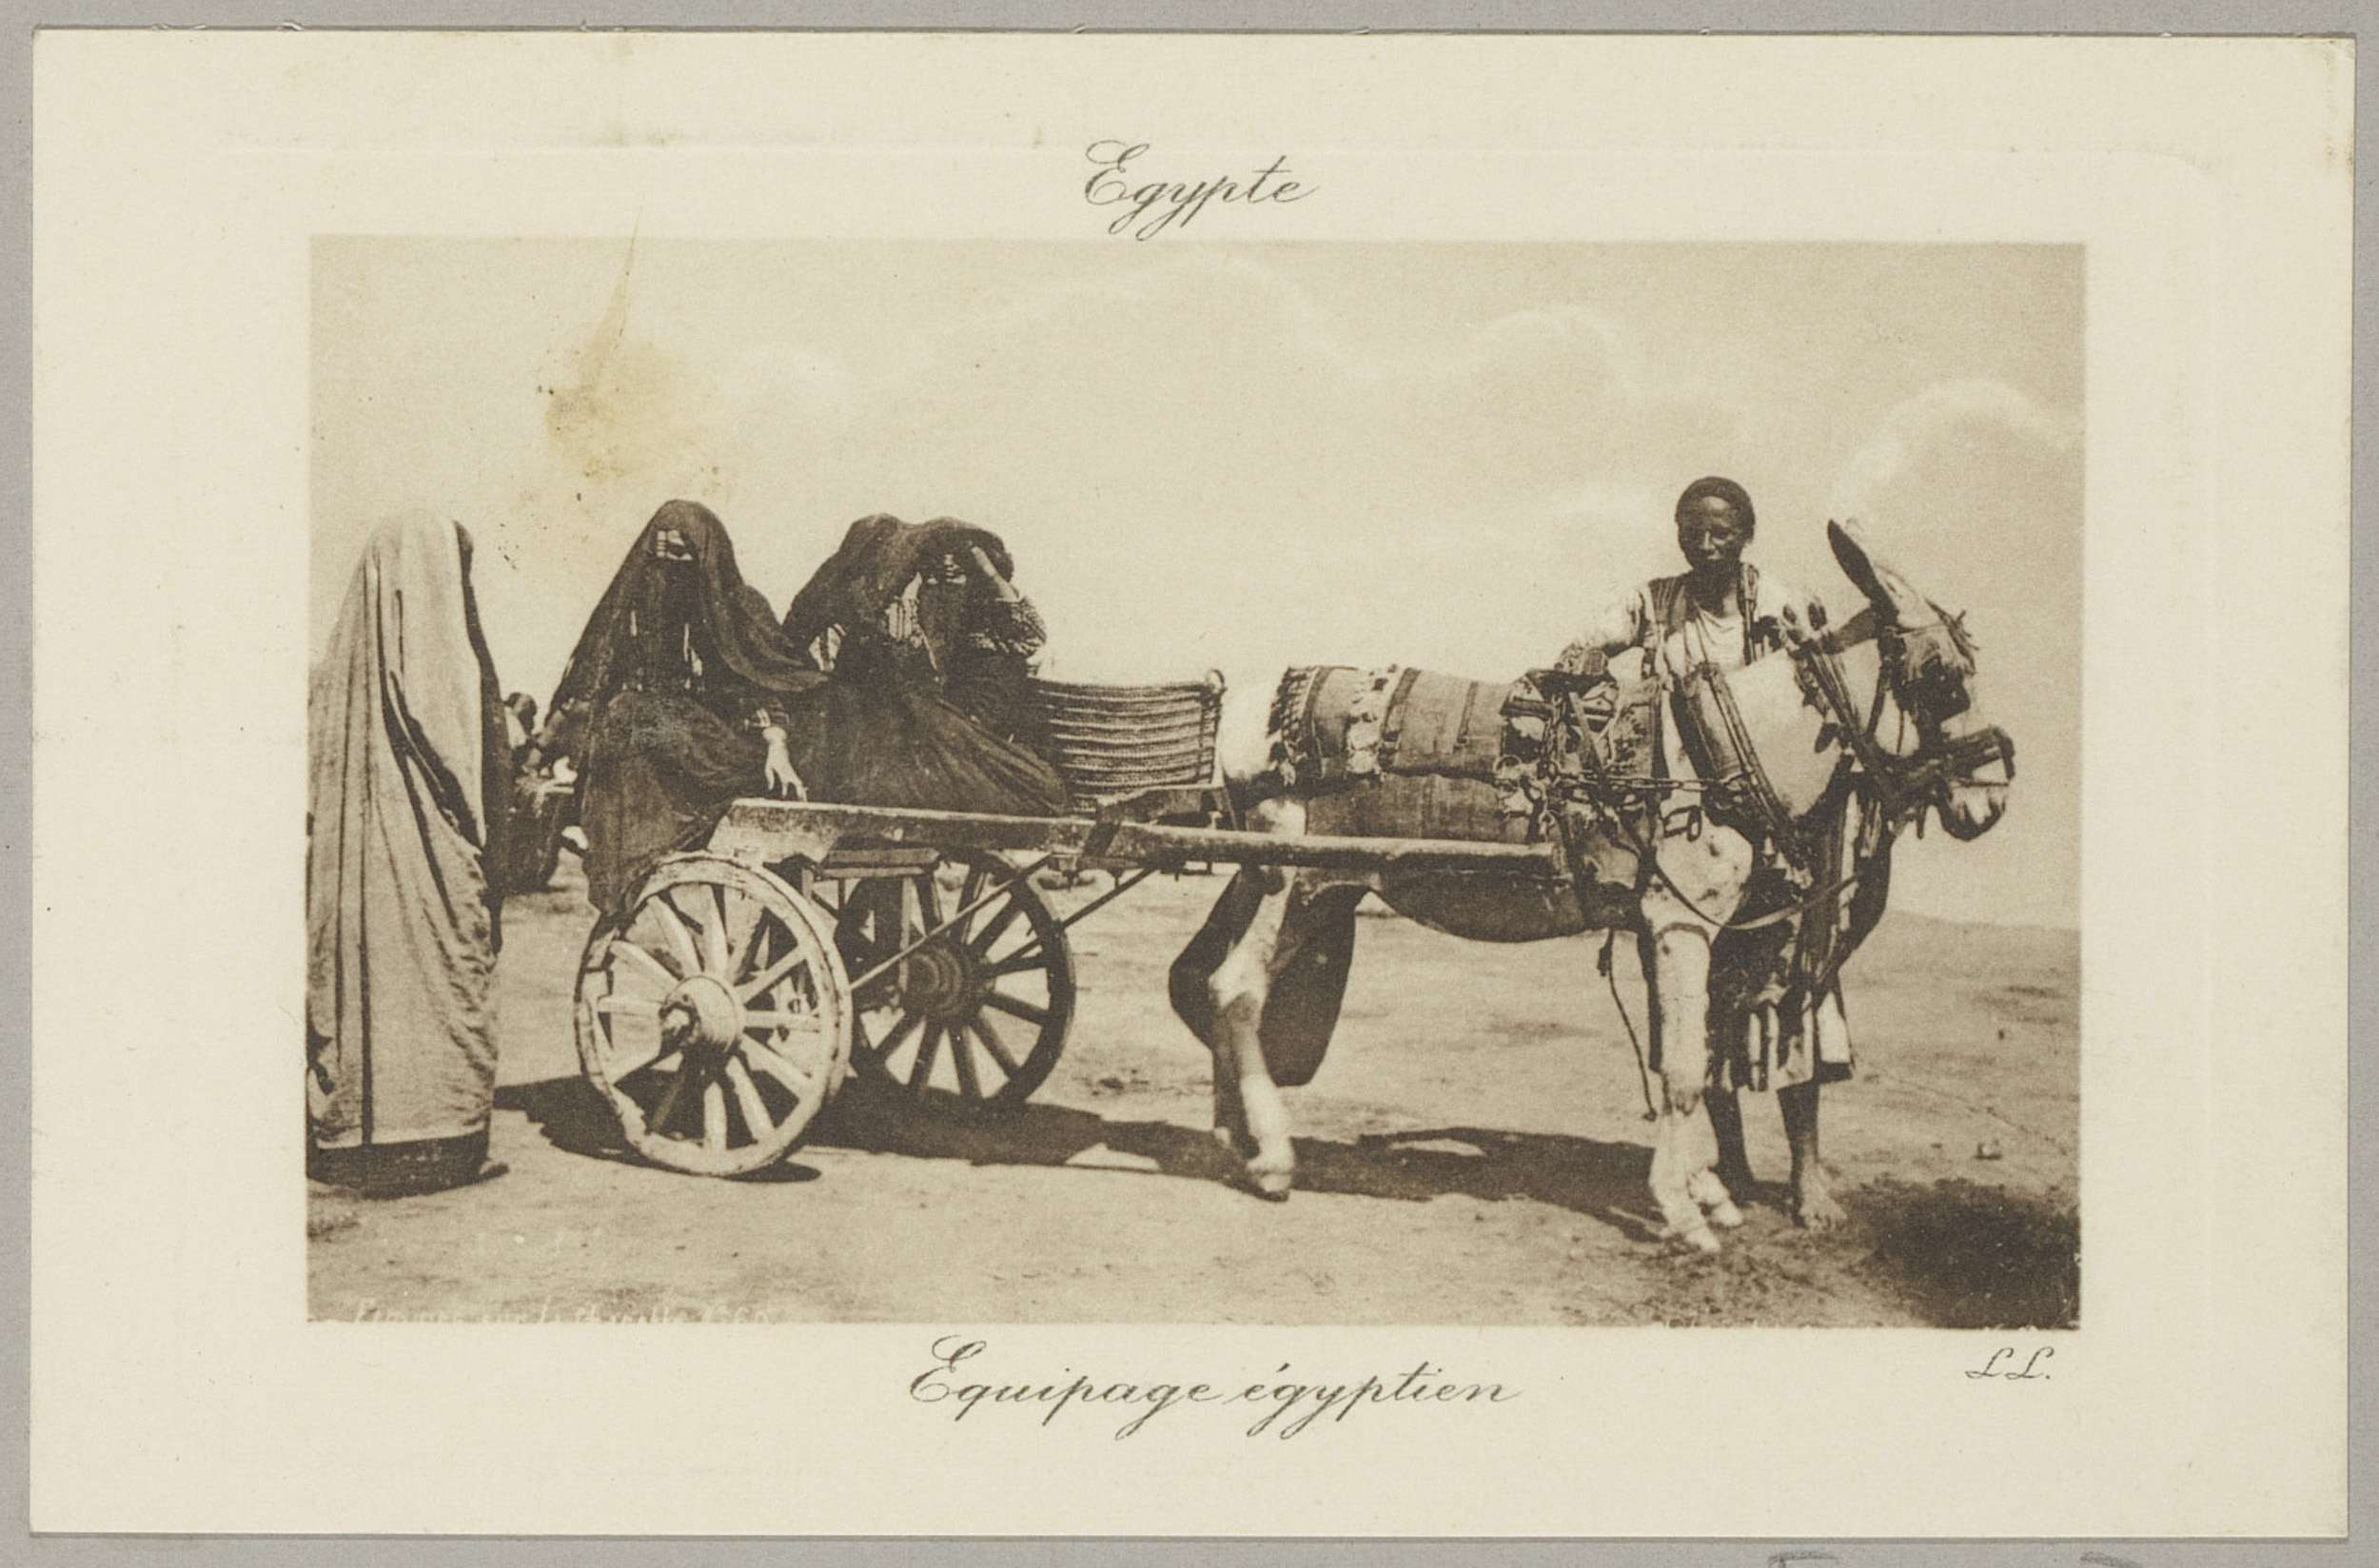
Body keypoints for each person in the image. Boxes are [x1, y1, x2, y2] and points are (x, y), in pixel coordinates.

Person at [1550, 476, 1854, 1097]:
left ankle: (1804, 1153)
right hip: (1691, 836)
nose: (1707, 545)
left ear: (1747, 535)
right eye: (1693, 532)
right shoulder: (1654, 602)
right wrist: (1584, 656)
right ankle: (1717, 1146)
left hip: (1774, 831)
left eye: (1722, 532)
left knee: (1789, 998)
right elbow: (1586, 641)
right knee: (1697, 1003)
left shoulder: (1783, 606)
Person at [306, 514, 511, 1197]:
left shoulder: (340, 673)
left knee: (365, 983)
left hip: (352, 860)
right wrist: (479, 835)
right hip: (428, 851)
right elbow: (451, 742)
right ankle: (441, 1139)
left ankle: (356, 1140)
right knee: (439, 977)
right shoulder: (437, 659)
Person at [535, 500, 823, 915]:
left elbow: (757, 682)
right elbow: (593, 680)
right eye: (660, 555)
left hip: (714, 743)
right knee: (626, 722)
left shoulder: (736, 608)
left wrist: (775, 743)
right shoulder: (631, 613)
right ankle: (622, 864)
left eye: (683, 555)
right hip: (650, 743)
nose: (669, 568)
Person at [778, 514, 1070, 815]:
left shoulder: (971, 623)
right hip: (886, 737)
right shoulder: (861, 618)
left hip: (954, 734)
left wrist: (988, 571)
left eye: (957, 573)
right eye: (934, 574)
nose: (944, 582)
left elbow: (1028, 636)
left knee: (1037, 785)